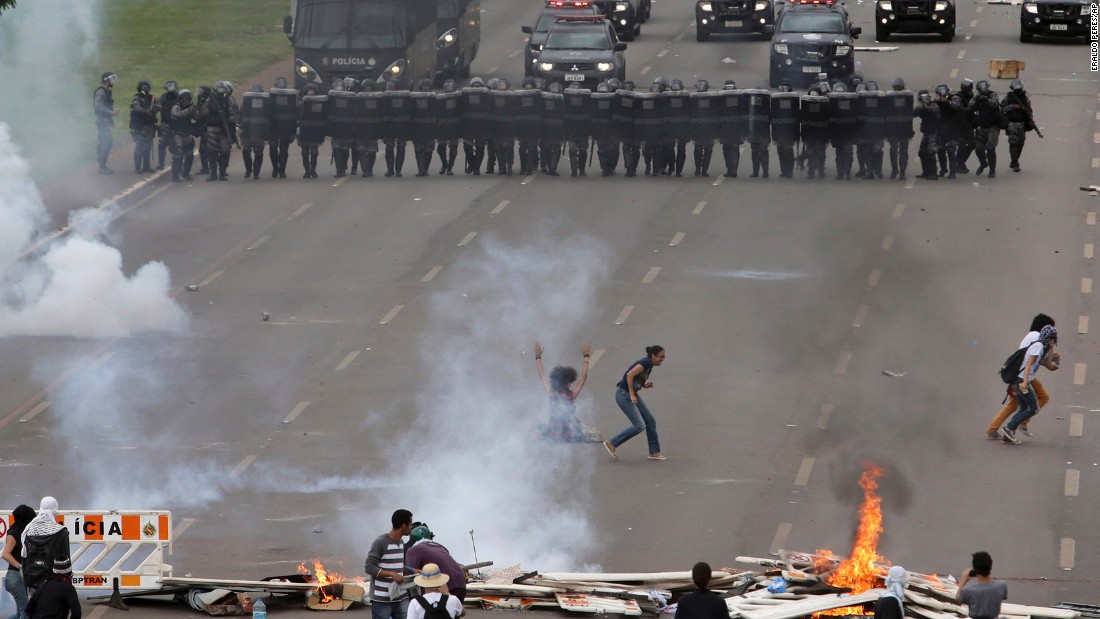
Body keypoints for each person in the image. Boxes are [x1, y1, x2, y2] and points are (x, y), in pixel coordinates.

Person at [986, 314, 1059, 439]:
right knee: (1030, 401)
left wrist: (1051, 355)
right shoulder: (1038, 339)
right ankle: (1014, 424)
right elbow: (1034, 359)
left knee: (1019, 402)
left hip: (1021, 373)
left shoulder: (1032, 336)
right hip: (1023, 375)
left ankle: (1001, 427)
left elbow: (1038, 358)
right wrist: (1024, 382)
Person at [603, 345, 667, 461]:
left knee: (650, 420)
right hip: (624, 395)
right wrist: (632, 394)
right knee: (639, 425)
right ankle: (612, 443)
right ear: (653, 356)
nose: (662, 359)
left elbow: (637, 377)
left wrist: (644, 386)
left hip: (630, 394)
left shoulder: (650, 365)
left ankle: (654, 452)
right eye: (661, 357)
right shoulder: (646, 363)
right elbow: (629, 375)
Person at [1000, 325, 1058, 444]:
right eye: (1050, 338)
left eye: (1054, 338)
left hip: (1023, 380)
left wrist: (1052, 351)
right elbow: (1028, 365)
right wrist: (1025, 383)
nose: (1052, 340)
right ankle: (1009, 428)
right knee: (1033, 408)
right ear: (1046, 337)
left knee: (1023, 408)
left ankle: (1008, 435)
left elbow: (1049, 366)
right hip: (1021, 380)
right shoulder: (1038, 346)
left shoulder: (1044, 348)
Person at [533, 340, 597, 443]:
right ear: (569, 382)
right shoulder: (571, 395)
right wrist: (586, 356)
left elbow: (542, 376)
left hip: (553, 433)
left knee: (539, 428)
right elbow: (583, 377)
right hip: (568, 434)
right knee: (587, 434)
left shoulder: (551, 394)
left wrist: (538, 357)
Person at [365, 509, 415, 619]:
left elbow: (395, 565)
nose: (411, 527)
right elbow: (369, 567)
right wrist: (392, 574)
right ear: (403, 526)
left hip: (401, 596)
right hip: (382, 599)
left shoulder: (401, 543)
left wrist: (413, 571)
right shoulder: (381, 542)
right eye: (410, 524)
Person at [404, 525, 468, 602]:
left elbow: (411, 577)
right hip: (461, 583)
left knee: (436, 613)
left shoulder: (413, 550)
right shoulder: (440, 547)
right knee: (453, 611)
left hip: (444, 586)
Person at [20, 497, 71, 592]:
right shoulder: (61, 531)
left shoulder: (29, 530)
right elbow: (64, 560)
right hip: (53, 582)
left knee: (34, 606)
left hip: (33, 579)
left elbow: (25, 557)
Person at [198, 81, 239, 181]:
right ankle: (213, 173)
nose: (221, 91)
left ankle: (222, 173)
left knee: (225, 151)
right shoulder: (210, 100)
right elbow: (202, 112)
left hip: (225, 129)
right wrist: (211, 110)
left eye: (223, 89)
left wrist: (230, 118)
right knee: (211, 151)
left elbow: (235, 113)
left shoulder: (229, 100)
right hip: (212, 129)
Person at [3, 504, 36, 619]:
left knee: (19, 614)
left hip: (18, 578)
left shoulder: (23, 532)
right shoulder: (14, 533)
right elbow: (5, 554)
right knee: (25, 613)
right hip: (15, 577)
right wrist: (21, 567)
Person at [1001, 79, 1040, 173]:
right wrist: (1013, 107)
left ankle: (1014, 160)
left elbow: (1029, 110)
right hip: (1011, 123)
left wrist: (1030, 119)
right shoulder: (1008, 97)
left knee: (1021, 143)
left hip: (1022, 124)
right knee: (1013, 143)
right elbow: (1002, 108)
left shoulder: (1025, 98)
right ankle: (1015, 163)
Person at [956, 551, 1006, 619]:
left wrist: (964, 580)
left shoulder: (968, 590)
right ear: (990, 565)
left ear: (974, 568)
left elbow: (958, 599)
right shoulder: (1002, 585)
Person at [970, 80, 1003, 178]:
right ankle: (983, 163)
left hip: (993, 126)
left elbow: (996, 104)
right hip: (983, 126)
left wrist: (987, 100)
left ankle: (992, 170)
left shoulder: (992, 94)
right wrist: (977, 99)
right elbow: (971, 106)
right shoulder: (977, 97)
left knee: (990, 148)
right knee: (978, 148)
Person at [129, 80, 158, 174]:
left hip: (149, 125)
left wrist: (156, 108)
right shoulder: (136, 98)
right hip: (139, 126)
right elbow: (136, 108)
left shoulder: (152, 98)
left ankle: (146, 166)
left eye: (147, 87)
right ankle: (138, 167)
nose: (145, 89)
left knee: (148, 146)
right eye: (143, 87)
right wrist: (146, 111)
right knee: (140, 146)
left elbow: (157, 107)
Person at [169, 89, 198, 182]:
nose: (185, 100)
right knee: (178, 155)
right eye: (184, 98)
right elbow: (176, 115)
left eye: (187, 98)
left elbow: (196, 117)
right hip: (177, 135)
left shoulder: (190, 107)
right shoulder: (176, 107)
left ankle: (186, 173)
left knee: (189, 155)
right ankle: (175, 176)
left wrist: (194, 111)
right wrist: (188, 110)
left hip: (187, 134)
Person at [93, 72, 119, 175]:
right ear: (107, 80)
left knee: (106, 142)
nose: (113, 81)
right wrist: (111, 113)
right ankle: (101, 166)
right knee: (106, 142)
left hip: (105, 120)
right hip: (102, 121)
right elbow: (98, 106)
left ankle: (101, 162)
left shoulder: (107, 91)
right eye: (112, 79)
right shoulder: (101, 92)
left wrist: (111, 120)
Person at [155, 80, 180, 171]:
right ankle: (161, 164)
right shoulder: (162, 97)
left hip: (176, 125)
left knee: (176, 145)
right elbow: (156, 106)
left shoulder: (180, 97)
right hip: (165, 124)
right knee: (162, 144)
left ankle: (177, 165)